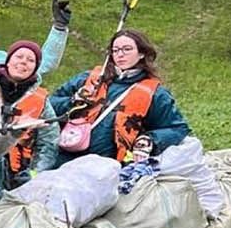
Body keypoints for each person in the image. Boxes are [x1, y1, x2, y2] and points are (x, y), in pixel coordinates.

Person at [46, 28, 190, 167]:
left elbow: (177, 128)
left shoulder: (155, 93)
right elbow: (49, 106)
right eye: (115, 50)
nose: (120, 54)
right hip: (64, 158)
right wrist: (74, 101)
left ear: (141, 53)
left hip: (109, 168)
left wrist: (150, 140)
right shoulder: (88, 79)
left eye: (127, 49)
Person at [0, 39, 58, 187]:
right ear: (8, 61)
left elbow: (49, 143)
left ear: (35, 68)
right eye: (19, 56)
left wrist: (35, 174)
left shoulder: (40, 100)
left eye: (30, 60)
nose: (23, 62)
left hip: (15, 176)